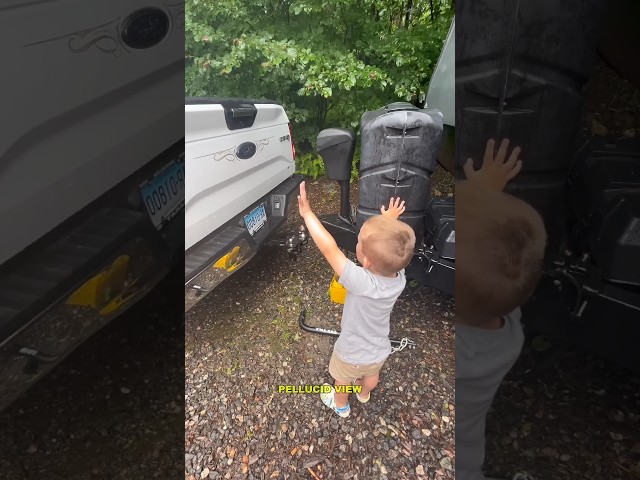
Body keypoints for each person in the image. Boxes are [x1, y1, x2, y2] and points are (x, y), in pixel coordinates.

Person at [456, 139, 547, 480]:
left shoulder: (458, 354)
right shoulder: (510, 326)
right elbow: (492, 260)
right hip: (469, 452)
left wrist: (479, 192)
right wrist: (485, 194)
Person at [297, 181, 416, 418]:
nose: (357, 243)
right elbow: (395, 249)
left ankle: (340, 404)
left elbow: (329, 249)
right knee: (371, 376)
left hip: (352, 351)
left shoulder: (362, 282)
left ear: (368, 262)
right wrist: (388, 223)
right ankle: (364, 393)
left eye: (359, 243)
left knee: (342, 380)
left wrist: (308, 214)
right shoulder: (398, 277)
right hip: (379, 348)